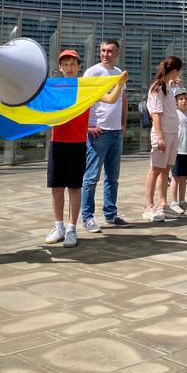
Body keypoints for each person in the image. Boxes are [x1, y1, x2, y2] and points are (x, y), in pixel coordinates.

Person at [45, 49, 126, 247]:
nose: (69, 68)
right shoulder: (55, 86)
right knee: (56, 188)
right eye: (65, 64)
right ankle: (59, 227)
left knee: (74, 187)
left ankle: (72, 228)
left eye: (73, 64)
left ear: (79, 66)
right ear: (60, 68)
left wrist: (119, 83)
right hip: (57, 143)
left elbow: (109, 99)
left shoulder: (85, 86)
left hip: (78, 144)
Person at [81, 39, 130, 232]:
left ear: (116, 53)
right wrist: (87, 127)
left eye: (110, 51)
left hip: (115, 131)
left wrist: (123, 124)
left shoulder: (119, 74)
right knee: (91, 176)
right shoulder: (92, 72)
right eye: (103, 50)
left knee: (113, 177)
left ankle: (110, 214)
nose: (105, 54)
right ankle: (87, 217)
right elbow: (83, 101)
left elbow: (122, 100)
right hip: (98, 131)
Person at [142, 56, 183, 222]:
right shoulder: (157, 87)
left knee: (166, 169)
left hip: (173, 132)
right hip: (162, 133)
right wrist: (159, 136)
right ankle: (149, 206)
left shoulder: (167, 86)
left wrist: (174, 86)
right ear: (174, 71)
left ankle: (163, 203)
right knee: (155, 169)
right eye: (178, 71)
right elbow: (156, 114)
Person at [169, 88, 187, 213]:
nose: (183, 101)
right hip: (176, 151)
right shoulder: (174, 114)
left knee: (184, 177)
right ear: (175, 101)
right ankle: (173, 202)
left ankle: (182, 201)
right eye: (180, 99)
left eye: (186, 99)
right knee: (175, 177)